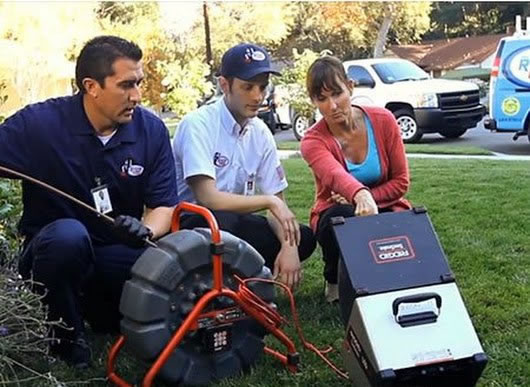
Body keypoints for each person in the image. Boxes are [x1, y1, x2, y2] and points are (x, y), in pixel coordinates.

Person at [0, 36, 179, 368]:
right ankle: (67, 344)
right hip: (52, 254)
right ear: (91, 86)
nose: (137, 95)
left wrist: (145, 231)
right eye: (126, 85)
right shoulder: (39, 124)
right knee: (68, 238)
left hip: (116, 251)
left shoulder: (150, 130)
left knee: (169, 278)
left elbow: (163, 207)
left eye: (138, 83)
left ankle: (96, 313)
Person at [172, 43, 316, 290]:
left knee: (303, 238)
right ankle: (225, 283)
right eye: (247, 87)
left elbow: (278, 206)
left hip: (233, 223)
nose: (258, 96)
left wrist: (289, 247)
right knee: (225, 223)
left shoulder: (260, 131)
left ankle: (242, 279)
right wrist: (270, 201)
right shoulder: (197, 124)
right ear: (224, 85)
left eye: (262, 87)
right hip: (190, 224)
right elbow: (209, 198)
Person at [300, 56, 411, 303]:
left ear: (350, 87)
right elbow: (335, 175)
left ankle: (391, 275)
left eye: (337, 93)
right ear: (314, 102)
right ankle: (334, 279)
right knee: (342, 215)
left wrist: (368, 197)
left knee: (402, 222)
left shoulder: (383, 120)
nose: (332, 105)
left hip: (385, 206)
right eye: (322, 99)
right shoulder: (312, 141)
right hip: (337, 211)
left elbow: (401, 181)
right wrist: (357, 195)